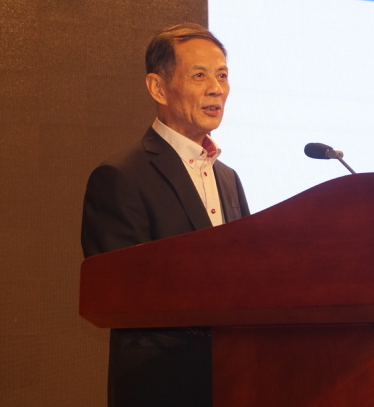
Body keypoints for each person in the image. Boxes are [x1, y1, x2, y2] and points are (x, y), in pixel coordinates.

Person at [81, 23, 250, 407]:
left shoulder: (228, 178)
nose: (216, 88)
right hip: (163, 386)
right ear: (158, 88)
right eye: (199, 75)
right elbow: (119, 296)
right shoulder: (121, 176)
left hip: (234, 380)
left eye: (222, 75)